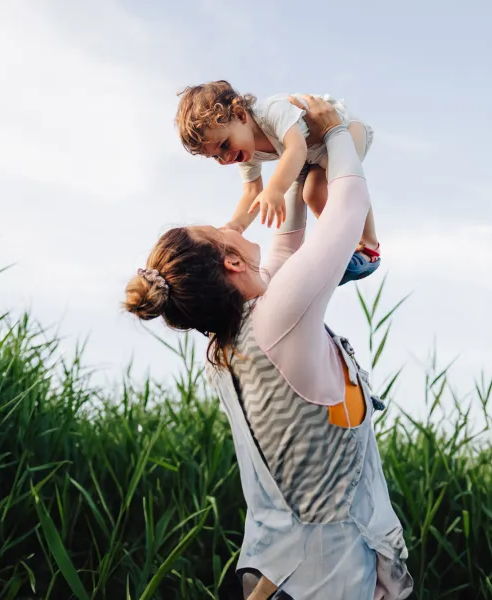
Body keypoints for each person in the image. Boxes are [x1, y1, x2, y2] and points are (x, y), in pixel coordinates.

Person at [125, 95, 412, 599]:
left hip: (276, 571)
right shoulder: (279, 321)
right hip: (326, 581)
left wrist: (297, 167)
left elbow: (284, 248)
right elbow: (347, 209)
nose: (230, 225)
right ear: (231, 263)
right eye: (220, 231)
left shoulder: (232, 342)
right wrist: (337, 135)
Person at [175, 80, 381, 286]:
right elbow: (252, 191)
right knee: (312, 195)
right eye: (216, 156)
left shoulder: (273, 111)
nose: (225, 158)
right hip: (318, 153)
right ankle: (347, 245)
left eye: (224, 145)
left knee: (328, 187)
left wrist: (275, 189)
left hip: (345, 128)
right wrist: (235, 226)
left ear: (240, 115)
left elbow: (296, 148)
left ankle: (370, 246)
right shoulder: (246, 153)